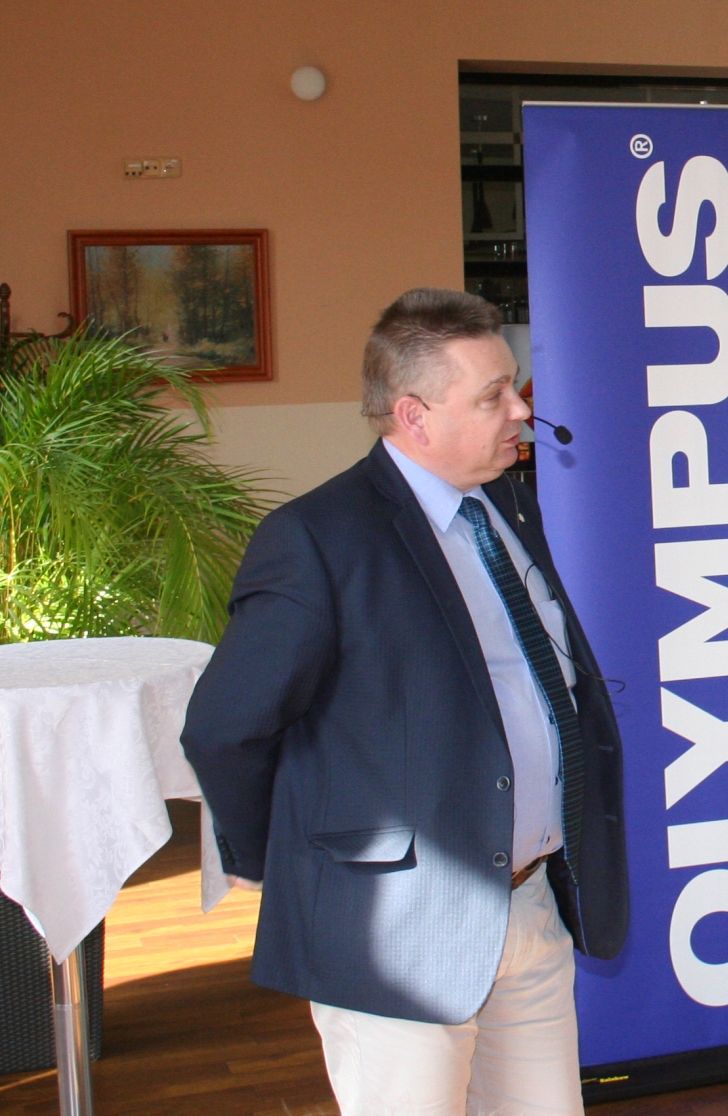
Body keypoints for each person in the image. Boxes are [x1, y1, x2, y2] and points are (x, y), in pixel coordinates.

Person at [182, 288, 627, 1115]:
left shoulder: (507, 507)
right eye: (493, 395)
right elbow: (224, 727)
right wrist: (286, 861)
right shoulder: (318, 539)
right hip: (397, 930)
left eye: (514, 385)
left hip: (529, 904)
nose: (521, 410)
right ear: (414, 415)